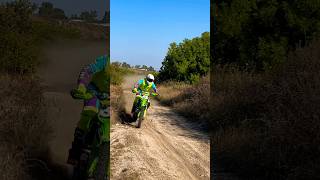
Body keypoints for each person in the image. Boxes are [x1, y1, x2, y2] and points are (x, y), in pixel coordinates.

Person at [67, 55, 110, 164]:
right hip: (94, 92)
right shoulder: (105, 60)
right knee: (89, 113)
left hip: (110, 99)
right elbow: (87, 71)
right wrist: (81, 89)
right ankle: (76, 150)